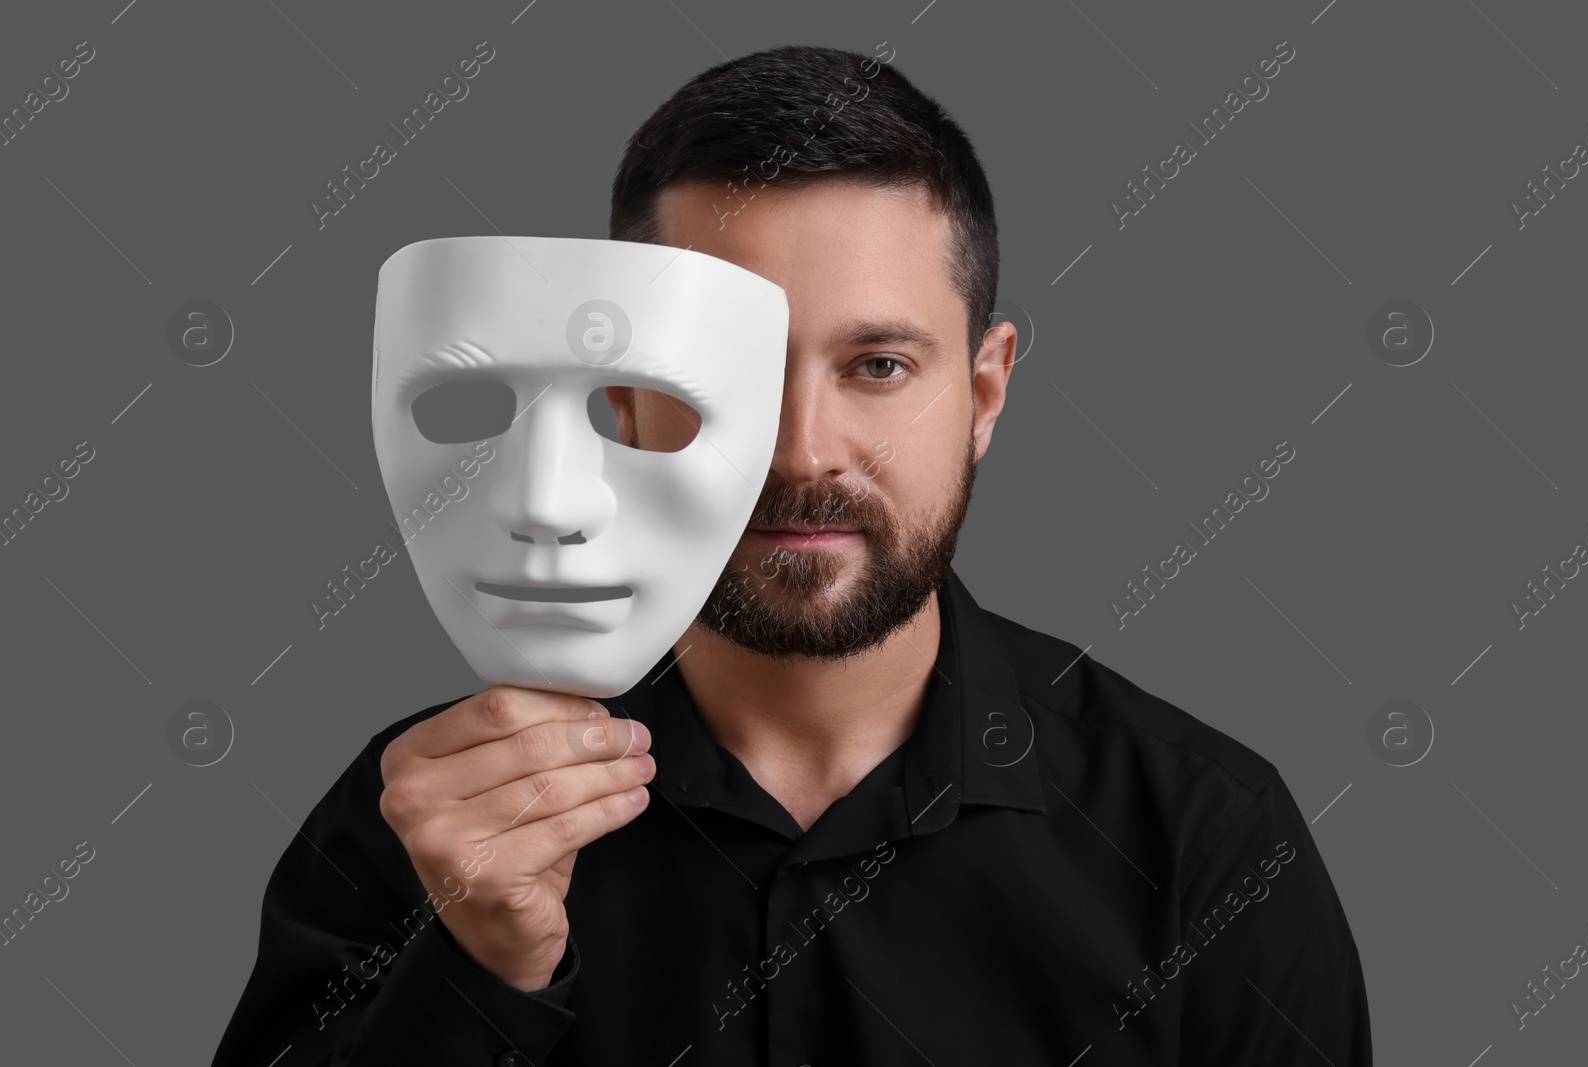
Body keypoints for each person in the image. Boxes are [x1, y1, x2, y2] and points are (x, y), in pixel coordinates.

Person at [211, 43, 1372, 1066]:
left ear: (982, 391)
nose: (803, 450)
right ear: (624, 399)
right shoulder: (423, 819)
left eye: (876, 366)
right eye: (728, 373)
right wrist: (478, 971)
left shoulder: (1205, 840)